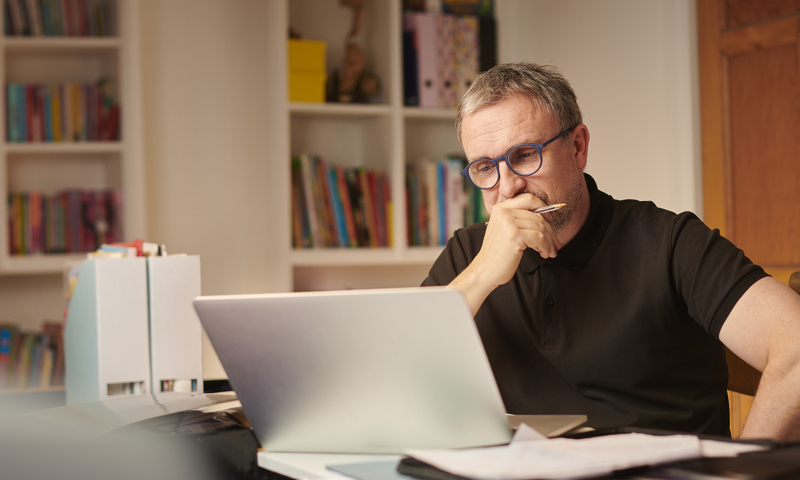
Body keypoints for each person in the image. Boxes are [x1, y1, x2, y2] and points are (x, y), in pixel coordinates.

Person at [422, 62, 800, 441]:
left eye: (524, 155)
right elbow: (391, 375)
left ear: (578, 147)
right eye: (486, 167)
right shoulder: (469, 253)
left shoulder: (670, 243)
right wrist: (483, 273)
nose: (507, 188)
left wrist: (745, 471)